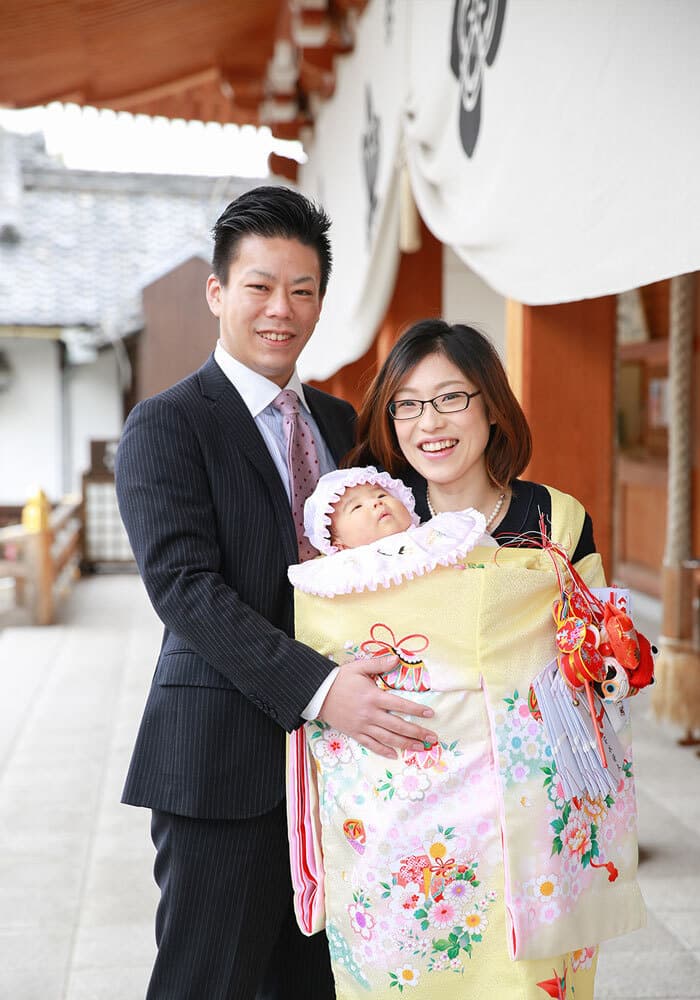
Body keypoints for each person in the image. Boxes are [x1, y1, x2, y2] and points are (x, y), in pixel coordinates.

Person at [114, 186, 437, 1000]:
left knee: (319, 986)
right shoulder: (168, 424)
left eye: (302, 290)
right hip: (222, 762)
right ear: (217, 291)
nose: (280, 310)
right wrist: (322, 689)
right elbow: (184, 589)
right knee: (207, 982)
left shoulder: (343, 423)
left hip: (342, 773)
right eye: (259, 286)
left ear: (321, 301)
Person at [287, 320, 646, 998]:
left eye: (451, 397)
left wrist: (607, 657)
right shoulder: (372, 530)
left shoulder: (556, 518)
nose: (430, 422)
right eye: (408, 404)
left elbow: (598, 641)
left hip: (532, 815)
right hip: (412, 830)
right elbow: (329, 641)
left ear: (492, 405)